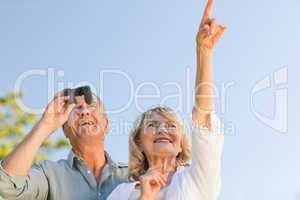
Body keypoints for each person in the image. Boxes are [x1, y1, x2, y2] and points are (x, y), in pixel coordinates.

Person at [107, 0, 226, 199]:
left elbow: (204, 116)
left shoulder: (196, 178)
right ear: (138, 142)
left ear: (181, 144)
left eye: (171, 126)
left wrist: (204, 51)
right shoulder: (122, 193)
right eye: (152, 125)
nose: (162, 129)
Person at [0, 93, 128, 200]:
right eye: (76, 108)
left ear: (106, 125)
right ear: (65, 130)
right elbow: (7, 185)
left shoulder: (133, 175)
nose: (84, 112)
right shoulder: (49, 174)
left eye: (92, 106)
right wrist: (45, 125)